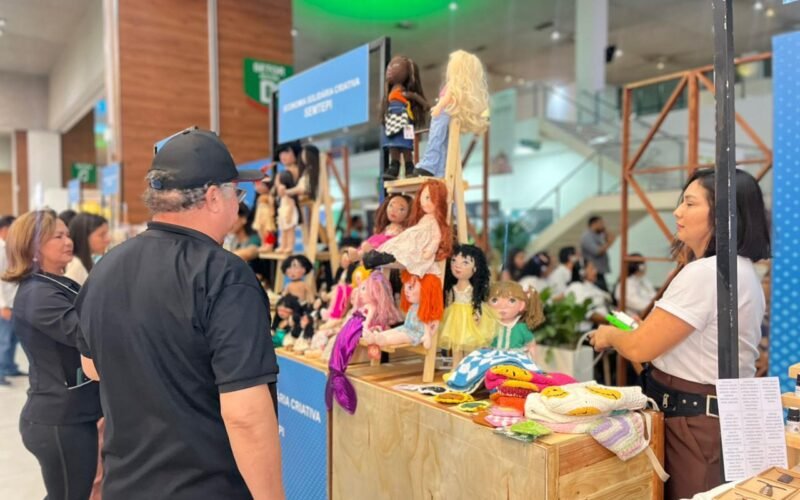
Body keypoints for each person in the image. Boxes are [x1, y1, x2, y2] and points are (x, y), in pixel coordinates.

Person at [75, 128, 284, 499]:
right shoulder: (224, 275)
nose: (238, 207)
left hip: (125, 486)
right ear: (213, 197)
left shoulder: (106, 268)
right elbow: (245, 415)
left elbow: (92, 368)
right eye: (237, 194)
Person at [589, 169, 769, 500]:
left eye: (690, 203)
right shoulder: (740, 269)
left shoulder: (706, 272)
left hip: (693, 423)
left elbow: (640, 348)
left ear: (723, 214)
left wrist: (611, 335)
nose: (677, 212)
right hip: (710, 417)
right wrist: (642, 332)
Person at [3, 210, 102, 499]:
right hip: (60, 419)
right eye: (57, 236)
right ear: (33, 246)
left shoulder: (54, 284)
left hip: (73, 414)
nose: (68, 241)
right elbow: (85, 334)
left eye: (67, 234)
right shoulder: (38, 294)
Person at [0, 215, 21, 384]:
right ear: (5, 229)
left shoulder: (9, 248)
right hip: (5, 303)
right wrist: (3, 305)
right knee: (4, 340)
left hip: (13, 301)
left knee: (13, 339)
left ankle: (10, 368)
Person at [565, 260, 613, 333]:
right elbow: (589, 314)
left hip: (606, 325)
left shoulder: (592, 286)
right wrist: (614, 321)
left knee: (629, 327)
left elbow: (609, 299)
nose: (596, 271)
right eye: (592, 269)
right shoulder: (576, 287)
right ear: (582, 272)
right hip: (590, 331)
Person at [65, 213, 111, 285]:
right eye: (102, 235)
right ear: (84, 237)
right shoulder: (75, 266)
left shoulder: (87, 262)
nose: (108, 239)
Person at [613, 253, 657, 317]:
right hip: (630, 319)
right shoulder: (626, 284)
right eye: (644, 264)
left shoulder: (643, 281)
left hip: (645, 316)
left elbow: (654, 296)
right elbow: (640, 305)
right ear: (640, 267)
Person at [580, 215, 615, 291]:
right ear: (594, 224)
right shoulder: (587, 237)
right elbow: (597, 251)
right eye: (601, 223)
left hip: (599, 271)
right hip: (593, 272)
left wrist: (606, 233)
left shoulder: (598, 235)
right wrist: (609, 243)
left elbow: (608, 239)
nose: (603, 225)